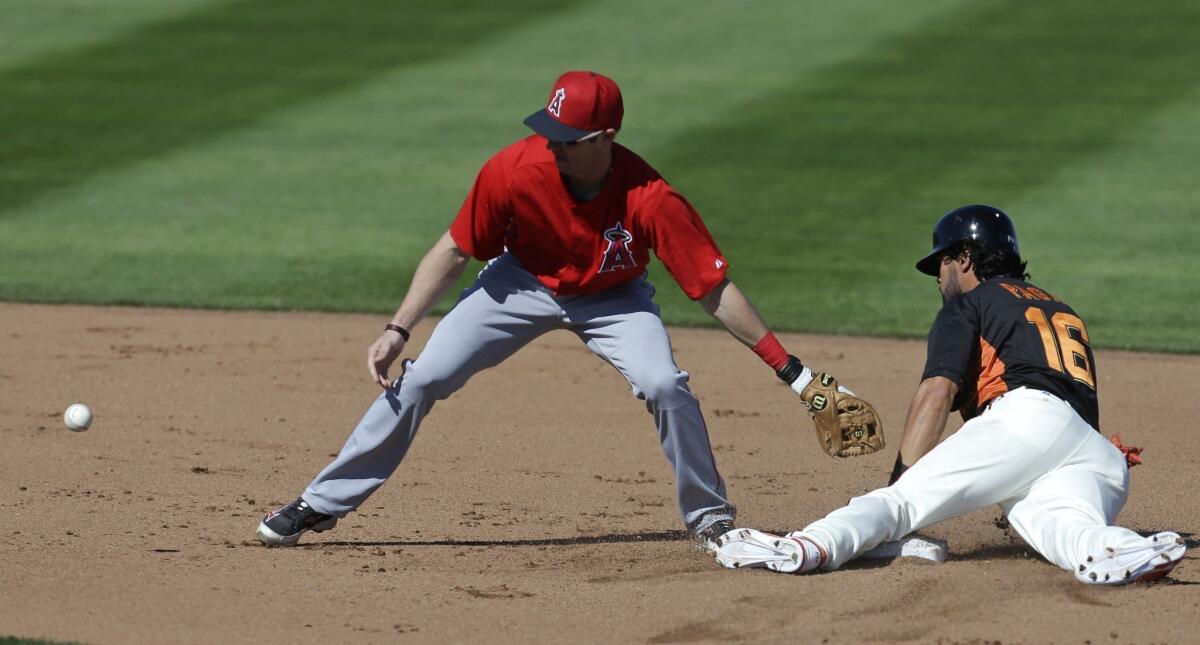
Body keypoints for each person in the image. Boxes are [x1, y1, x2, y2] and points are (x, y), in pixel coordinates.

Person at [256, 70, 858, 550]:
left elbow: (711, 290)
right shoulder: (514, 171)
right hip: (519, 283)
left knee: (664, 384)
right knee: (425, 376)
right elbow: (454, 248)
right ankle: (322, 503)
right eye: (551, 131)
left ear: (605, 139)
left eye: (569, 138)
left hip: (615, 298)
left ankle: (709, 518)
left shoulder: (650, 197)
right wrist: (398, 327)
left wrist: (794, 372)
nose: (555, 145)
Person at [714, 205, 1186, 584]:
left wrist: (901, 482)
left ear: (963, 258)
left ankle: (804, 548)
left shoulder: (970, 304)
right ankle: (1122, 548)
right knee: (1067, 530)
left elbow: (936, 393)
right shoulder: (1059, 307)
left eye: (940, 263)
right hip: (1094, 453)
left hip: (1025, 423)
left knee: (898, 504)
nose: (938, 278)